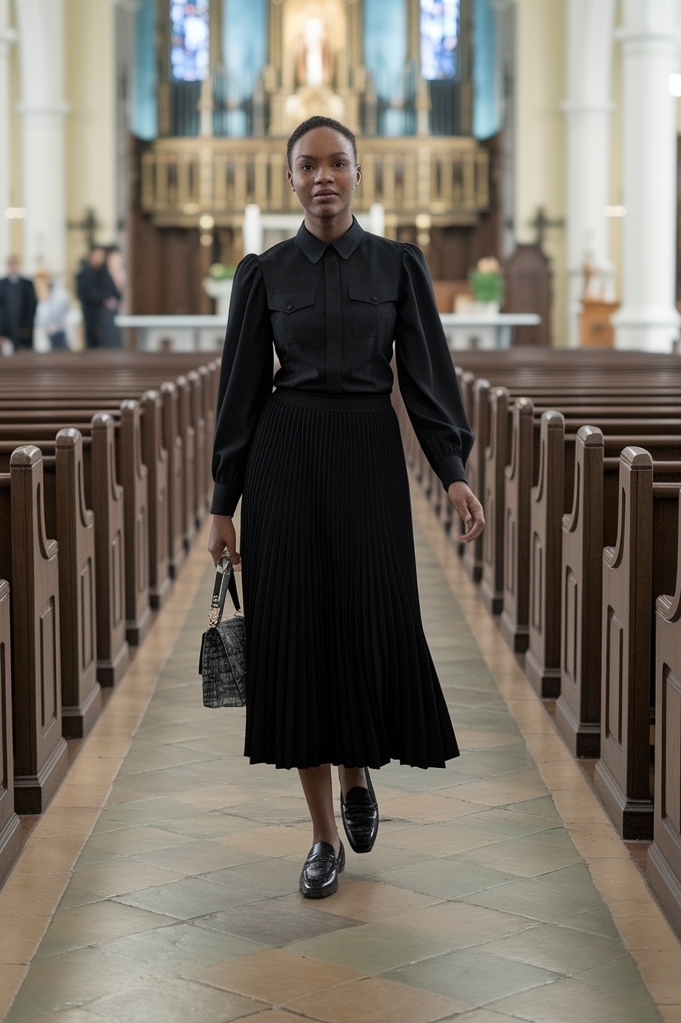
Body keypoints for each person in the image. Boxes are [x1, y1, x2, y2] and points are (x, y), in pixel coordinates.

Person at [208, 115, 484, 900]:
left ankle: (360, 772)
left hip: (368, 454)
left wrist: (453, 471)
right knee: (295, 634)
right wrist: (224, 504)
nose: (323, 177)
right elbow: (239, 393)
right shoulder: (262, 273)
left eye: (337, 164)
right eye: (308, 165)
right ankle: (323, 833)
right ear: (289, 180)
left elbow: (427, 378)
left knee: (365, 620)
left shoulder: (400, 266)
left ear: (359, 175)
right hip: (285, 460)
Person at [0, 256, 37, 351]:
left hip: (22, 331)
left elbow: (32, 307)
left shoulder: (27, 284)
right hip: (3, 331)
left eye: (15, 263)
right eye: (10, 264)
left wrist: (27, 327)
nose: (12, 266)